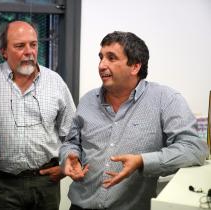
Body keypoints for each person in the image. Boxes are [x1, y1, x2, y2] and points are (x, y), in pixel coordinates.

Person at [59, 31, 209, 210]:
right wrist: (68, 157)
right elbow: (71, 143)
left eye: (111, 58)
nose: (101, 65)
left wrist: (143, 161)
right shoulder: (87, 100)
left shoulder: (166, 99)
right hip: (80, 206)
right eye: (101, 57)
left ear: (135, 66)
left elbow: (194, 149)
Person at [0, 20, 76, 210]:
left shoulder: (55, 82)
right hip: (4, 183)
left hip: (47, 181)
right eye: (20, 46)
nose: (29, 51)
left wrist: (64, 166)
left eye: (33, 45)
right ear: (3, 51)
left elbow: (72, 133)